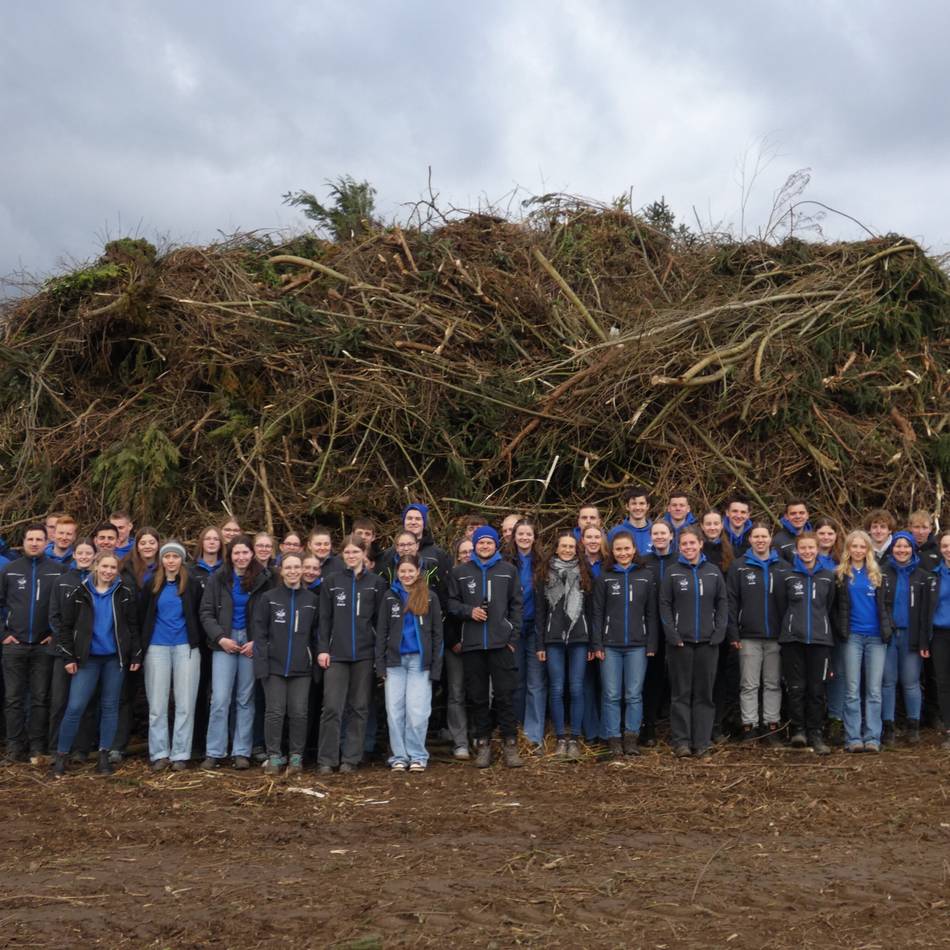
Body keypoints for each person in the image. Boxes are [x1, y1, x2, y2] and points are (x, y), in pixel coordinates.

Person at [51, 552, 142, 776]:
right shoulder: (80, 592)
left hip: (114, 659)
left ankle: (103, 756)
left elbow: (132, 626)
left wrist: (136, 655)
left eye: (113, 568)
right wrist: (68, 657)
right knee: (75, 707)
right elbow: (65, 627)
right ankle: (61, 756)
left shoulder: (124, 593)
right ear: (96, 566)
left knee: (110, 707)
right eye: (105, 566)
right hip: (87, 659)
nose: (108, 571)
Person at [448, 525, 523, 769]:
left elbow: (516, 606)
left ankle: (510, 744)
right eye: (481, 543)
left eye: (489, 542)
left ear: (495, 545)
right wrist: (469, 611)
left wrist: (512, 637)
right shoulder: (460, 572)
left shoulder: (508, 570)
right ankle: (483, 744)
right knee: (478, 697)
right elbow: (450, 603)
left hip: (501, 644)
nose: (485, 546)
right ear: (475, 544)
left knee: (504, 696)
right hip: (473, 645)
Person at [316, 535, 387, 773]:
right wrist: (323, 649)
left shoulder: (376, 583)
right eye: (346, 553)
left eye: (355, 552)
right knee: (332, 707)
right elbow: (324, 620)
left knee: (359, 707)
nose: (351, 556)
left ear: (363, 554)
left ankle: (351, 758)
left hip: (365, 655)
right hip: (336, 654)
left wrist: (378, 655)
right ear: (342, 555)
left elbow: (381, 622)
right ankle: (327, 758)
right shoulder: (332, 582)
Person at [200, 535, 271, 770]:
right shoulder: (218, 578)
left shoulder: (265, 579)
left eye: (245, 553)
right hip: (225, 642)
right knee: (220, 698)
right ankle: (214, 751)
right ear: (229, 556)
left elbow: (270, 614)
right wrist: (220, 638)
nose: (241, 557)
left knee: (245, 698)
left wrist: (257, 641)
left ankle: (241, 751)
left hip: (251, 643)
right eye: (236, 553)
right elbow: (206, 612)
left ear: (252, 554)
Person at [659, 525, 728, 757]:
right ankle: (681, 742)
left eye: (692, 543)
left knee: (704, 695)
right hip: (680, 643)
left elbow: (722, 603)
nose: (688, 547)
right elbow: (665, 605)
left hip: (708, 643)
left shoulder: (712, 572)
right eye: (684, 544)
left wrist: (719, 632)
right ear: (679, 546)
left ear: (700, 544)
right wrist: (673, 634)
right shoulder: (672, 572)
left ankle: (702, 742)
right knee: (680, 694)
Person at [591, 529, 658, 758]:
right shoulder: (605, 577)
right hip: (610, 645)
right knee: (611, 695)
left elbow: (651, 613)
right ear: (612, 551)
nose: (623, 553)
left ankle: (631, 738)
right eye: (618, 549)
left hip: (638, 646)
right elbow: (597, 613)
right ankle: (613, 739)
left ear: (634, 550)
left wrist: (651, 644)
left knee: (634, 694)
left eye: (626, 548)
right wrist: (597, 644)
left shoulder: (645, 576)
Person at [0, 524, 64, 763]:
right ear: (23, 542)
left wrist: (55, 635)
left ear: (47, 542)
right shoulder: (10, 570)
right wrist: (3, 634)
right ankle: (15, 747)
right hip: (13, 644)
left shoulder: (57, 571)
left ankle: (37, 746)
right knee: (13, 698)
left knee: (40, 698)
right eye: (30, 539)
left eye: (39, 539)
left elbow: (64, 609)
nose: (34, 543)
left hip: (43, 644)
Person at [252, 553, 318, 776]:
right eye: (288, 567)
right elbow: (259, 635)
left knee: (299, 712)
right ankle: (273, 756)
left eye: (296, 567)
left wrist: (314, 664)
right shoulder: (269, 598)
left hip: (302, 668)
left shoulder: (311, 600)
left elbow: (316, 635)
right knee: (275, 712)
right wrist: (262, 666)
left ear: (302, 570)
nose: (292, 571)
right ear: (281, 570)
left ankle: (296, 757)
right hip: (274, 666)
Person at [376, 554, 444, 771]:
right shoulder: (389, 597)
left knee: (417, 711)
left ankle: (417, 755)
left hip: (419, 662)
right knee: (394, 711)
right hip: (394, 662)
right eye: (402, 571)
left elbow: (437, 635)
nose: (406, 575)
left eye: (410, 571)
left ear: (418, 572)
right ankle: (399, 756)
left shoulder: (430, 597)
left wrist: (435, 666)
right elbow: (381, 633)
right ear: (397, 572)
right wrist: (380, 664)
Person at [140, 542, 203, 771]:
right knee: (157, 704)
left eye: (175, 556)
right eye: (167, 556)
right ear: (161, 560)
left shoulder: (192, 585)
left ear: (181, 560)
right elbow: (142, 616)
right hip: (157, 647)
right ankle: (159, 753)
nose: (171, 560)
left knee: (185, 703)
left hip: (186, 647)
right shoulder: (151, 586)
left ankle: (180, 754)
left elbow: (199, 614)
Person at [727, 523, 790, 745]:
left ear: (770, 538)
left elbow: (790, 603)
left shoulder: (783, 567)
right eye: (756, 536)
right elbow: (731, 602)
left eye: (764, 536)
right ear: (750, 539)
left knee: (773, 683)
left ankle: (771, 727)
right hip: (748, 636)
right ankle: (750, 727)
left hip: (776, 636)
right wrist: (733, 633)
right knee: (749, 684)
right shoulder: (739, 567)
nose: (760, 540)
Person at [777, 531, 837, 754]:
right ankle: (798, 730)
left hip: (820, 640)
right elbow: (782, 606)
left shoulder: (827, 576)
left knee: (817, 688)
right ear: (797, 550)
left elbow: (829, 606)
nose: (807, 552)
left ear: (817, 548)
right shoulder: (788, 576)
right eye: (803, 548)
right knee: (796, 687)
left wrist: (821, 627)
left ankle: (816, 732)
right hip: (793, 639)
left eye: (811, 548)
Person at [535, 531, 593, 759]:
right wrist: (540, 644)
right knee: (557, 688)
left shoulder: (585, 573)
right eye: (564, 546)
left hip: (579, 637)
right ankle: (560, 738)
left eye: (571, 546)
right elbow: (540, 612)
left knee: (577, 688)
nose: (568, 550)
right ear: (556, 548)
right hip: (553, 639)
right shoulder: (544, 574)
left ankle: (575, 739)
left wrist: (593, 643)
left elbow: (592, 611)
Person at [837, 530, 893, 754]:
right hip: (852, 637)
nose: (858, 551)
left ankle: (872, 737)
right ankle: (853, 738)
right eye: (854, 546)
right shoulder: (841, 575)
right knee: (851, 690)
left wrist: (888, 628)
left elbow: (886, 607)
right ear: (848, 549)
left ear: (868, 550)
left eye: (862, 547)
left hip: (876, 638)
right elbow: (836, 609)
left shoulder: (877, 575)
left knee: (874, 690)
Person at [111, 527, 161, 762]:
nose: (148, 546)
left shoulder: (167, 567)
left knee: (157, 697)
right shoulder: (124, 569)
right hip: (129, 638)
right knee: (125, 694)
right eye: (144, 543)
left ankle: (156, 746)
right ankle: (117, 745)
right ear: (136, 545)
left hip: (158, 638)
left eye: (152, 542)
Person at [48, 539, 98, 759]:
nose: (85, 556)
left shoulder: (98, 582)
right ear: (74, 555)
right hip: (63, 651)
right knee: (59, 701)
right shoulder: (62, 581)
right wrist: (67, 645)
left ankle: (81, 748)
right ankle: (55, 748)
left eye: (89, 553)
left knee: (85, 702)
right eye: (81, 553)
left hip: (89, 652)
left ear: (95, 556)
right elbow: (54, 616)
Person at [881, 531, 929, 746]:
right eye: (898, 546)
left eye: (906, 546)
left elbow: (926, 612)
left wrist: (924, 640)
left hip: (911, 636)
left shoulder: (922, 576)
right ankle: (889, 727)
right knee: (888, 682)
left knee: (911, 683)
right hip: (889, 635)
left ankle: (913, 726)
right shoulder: (882, 573)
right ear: (892, 549)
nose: (902, 550)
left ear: (912, 549)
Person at [507, 517, 546, 752]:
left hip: (535, 628)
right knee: (516, 682)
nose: (524, 538)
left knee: (536, 682)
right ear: (514, 536)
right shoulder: (505, 561)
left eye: (528, 534)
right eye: (520, 534)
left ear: (534, 537)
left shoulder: (541, 562)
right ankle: (517, 730)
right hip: (513, 629)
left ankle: (534, 736)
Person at [640, 520, 677, 747]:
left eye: (664, 533)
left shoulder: (679, 561)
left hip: (675, 627)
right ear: (651, 537)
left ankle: (677, 727)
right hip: (650, 628)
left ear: (671, 536)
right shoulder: (644, 563)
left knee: (677, 679)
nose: (660, 537)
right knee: (651, 678)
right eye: (656, 533)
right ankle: (649, 726)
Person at [190, 526, 224, 757]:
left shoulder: (227, 570)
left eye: (216, 539)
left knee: (220, 694)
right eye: (208, 538)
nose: (212, 542)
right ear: (201, 542)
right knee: (198, 691)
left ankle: (220, 742)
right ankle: (196, 743)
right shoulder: (191, 570)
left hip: (223, 638)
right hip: (197, 639)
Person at [813, 516, 845, 743]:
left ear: (836, 536)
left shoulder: (843, 561)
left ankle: (835, 720)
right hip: (812, 625)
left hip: (836, 626)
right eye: (821, 533)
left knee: (837, 674)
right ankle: (814, 720)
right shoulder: (807, 559)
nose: (825, 537)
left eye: (830, 533)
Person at [441, 537, 473, 760]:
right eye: (463, 552)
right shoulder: (449, 578)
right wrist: (453, 641)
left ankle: (478, 736)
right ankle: (460, 741)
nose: (468, 555)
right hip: (455, 646)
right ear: (457, 555)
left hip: (481, 646)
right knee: (456, 693)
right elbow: (444, 613)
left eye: (471, 550)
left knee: (481, 694)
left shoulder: (484, 576)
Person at [924, 530, 950, 750]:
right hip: (940, 635)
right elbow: (926, 611)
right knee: (943, 683)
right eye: (945, 546)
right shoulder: (933, 575)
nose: (949, 550)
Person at [610, 487, 653, 556]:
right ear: (627, 506)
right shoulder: (615, 532)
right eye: (634, 503)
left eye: (641, 503)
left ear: (647, 506)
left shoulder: (656, 532)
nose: (638, 507)